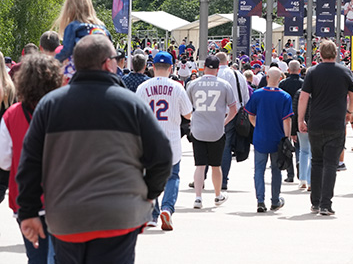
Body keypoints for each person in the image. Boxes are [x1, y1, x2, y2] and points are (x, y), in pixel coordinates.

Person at [17, 35, 172, 262]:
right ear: (107, 63)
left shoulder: (50, 105)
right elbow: (162, 157)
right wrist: (149, 194)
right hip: (118, 218)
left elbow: (29, 163)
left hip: (66, 219)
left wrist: (28, 212)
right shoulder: (132, 105)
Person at [0, 54, 62, 264]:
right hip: (61, 195)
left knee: (36, 257)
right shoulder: (63, 109)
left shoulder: (11, 115)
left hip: (25, 198)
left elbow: (4, 161)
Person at [299, 40, 353, 216]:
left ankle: (315, 203)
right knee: (331, 164)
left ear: (320, 54)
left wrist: (301, 119)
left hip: (316, 123)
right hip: (336, 123)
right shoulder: (345, 72)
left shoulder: (313, 72)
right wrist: (349, 112)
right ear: (336, 53)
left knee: (316, 162)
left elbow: (303, 97)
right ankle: (326, 204)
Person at [135, 51, 192, 231]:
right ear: (170, 68)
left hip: (148, 139)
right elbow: (188, 114)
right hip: (171, 138)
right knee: (172, 175)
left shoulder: (143, 87)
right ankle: (167, 208)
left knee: (149, 176)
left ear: (152, 67)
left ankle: (152, 214)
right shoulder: (177, 87)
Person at [186, 54, 237, 209]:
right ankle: (217, 195)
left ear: (204, 68)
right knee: (216, 165)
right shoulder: (224, 85)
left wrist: (192, 120)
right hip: (216, 130)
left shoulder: (193, 84)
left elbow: (187, 108)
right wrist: (224, 121)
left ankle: (198, 197)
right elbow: (234, 109)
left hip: (198, 130)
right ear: (217, 69)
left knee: (200, 165)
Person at [245, 67, 293, 212]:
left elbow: (251, 115)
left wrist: (258, 126)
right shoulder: (285, 97)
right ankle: (275, 200)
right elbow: (287, 121)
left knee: (259, 170)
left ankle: (260, 201)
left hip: (260, 137)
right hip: (277, 139)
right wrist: (287, 138)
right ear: (280, 79)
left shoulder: (257, 94)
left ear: (266, 77)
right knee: (276, 170)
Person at [217, 52, 250, 191]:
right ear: (228, 61)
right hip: (234, 113)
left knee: (208, 144)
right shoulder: (238, 75)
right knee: (227, 146)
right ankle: (223, 180)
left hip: (216, 113)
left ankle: (203, 176)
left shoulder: (215, 75)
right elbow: (246, 98)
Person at [278, 60, 304, 183]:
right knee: (301, 147)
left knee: (287, 146)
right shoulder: (304, 84)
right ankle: (301, 168)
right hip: (301, 117)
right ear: (299, 70)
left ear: (288, 70)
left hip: (285, 118)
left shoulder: (283, 84)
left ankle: (290, 174)